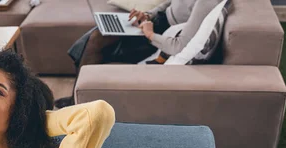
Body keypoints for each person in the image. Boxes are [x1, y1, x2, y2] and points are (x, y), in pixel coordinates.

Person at [54, 0, 220, 108]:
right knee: (97, 34)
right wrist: (149, 15)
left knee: (96, 42)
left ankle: (77, 101)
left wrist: (150, 35)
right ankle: (77, 97)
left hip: (160, 37)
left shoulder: (206, 2)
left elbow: (179, 46)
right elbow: (170, 5)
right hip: (154, 23)